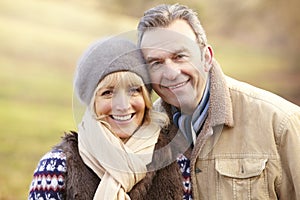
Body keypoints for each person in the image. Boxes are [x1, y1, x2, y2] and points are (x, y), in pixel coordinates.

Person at [137, 3, 300, 200]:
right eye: (156, 63)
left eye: (180, 56)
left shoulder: (281, 124)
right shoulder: (144, 133)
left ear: (206, 57)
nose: (171, 73)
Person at [28, 37, 187, 200]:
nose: (123, 106)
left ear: (145, 97)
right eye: (108, 92)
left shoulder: (176, 163)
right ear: (92, 103)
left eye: (133, 90)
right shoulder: (57, 166)